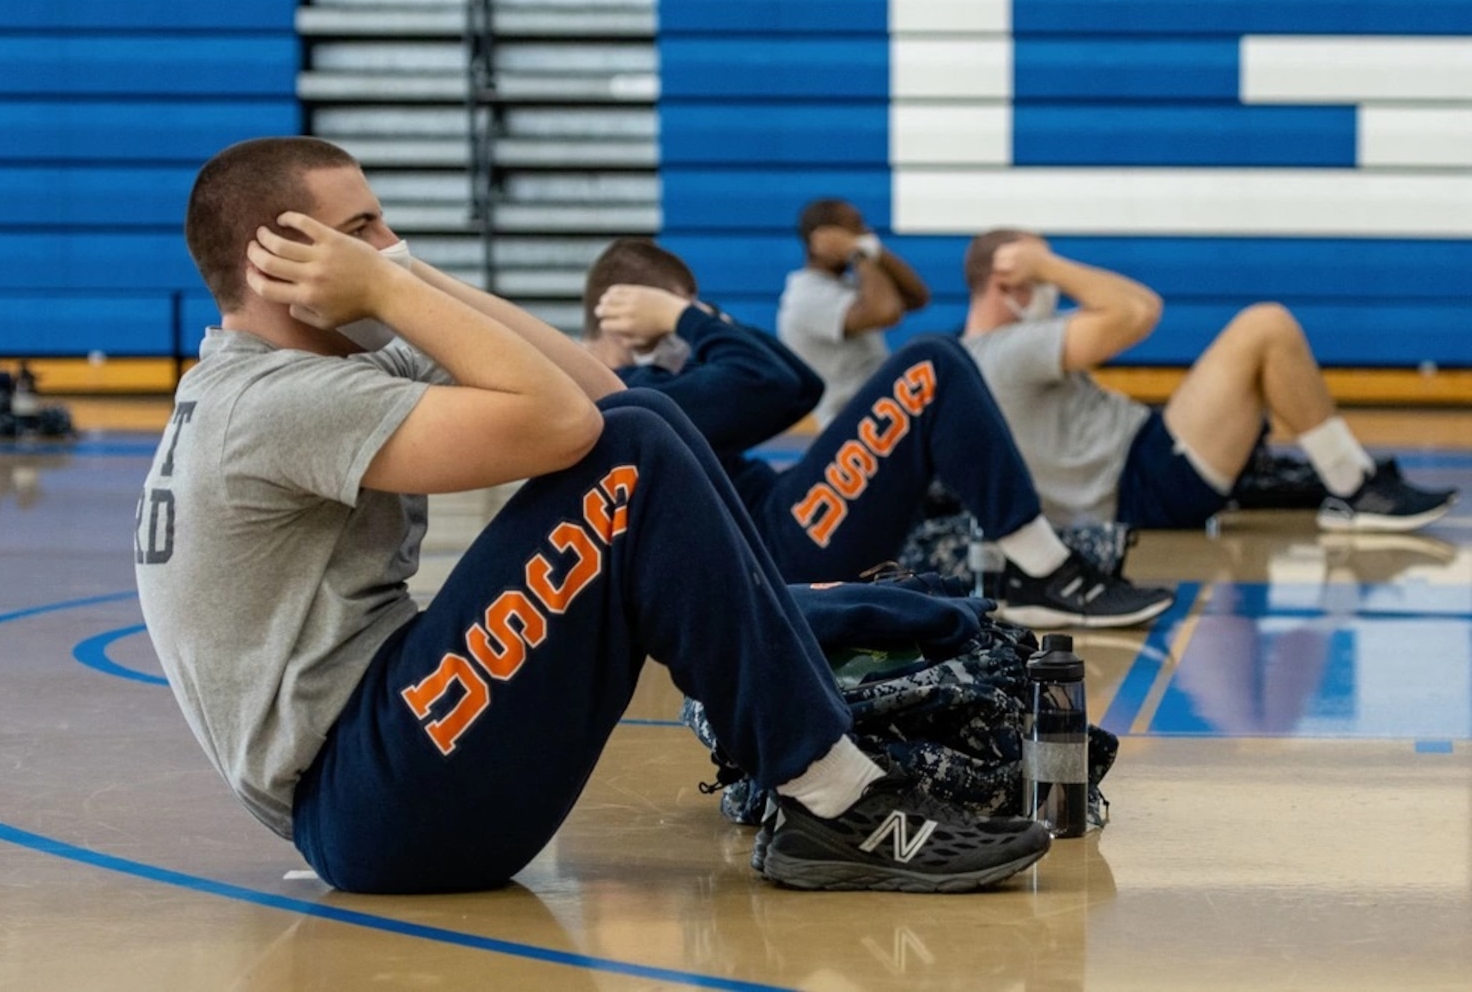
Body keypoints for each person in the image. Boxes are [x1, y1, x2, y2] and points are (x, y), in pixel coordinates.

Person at [132, 136, 1053, 896]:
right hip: (374, 801)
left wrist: (405, 277)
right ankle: (837, 801)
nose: (392, 243)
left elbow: (600, 392)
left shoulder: (318, 368)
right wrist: (392, 291)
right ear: (279, 257)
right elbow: (570, 428)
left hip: (394, 775)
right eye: (365, 226)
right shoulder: (274, 400)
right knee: (632, 451)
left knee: (642, 423)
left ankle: (816, 736)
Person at [582, 238, 1175, 629]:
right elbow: (774, 387)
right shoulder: (620, 395)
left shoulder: (640, 384)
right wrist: (684, 320)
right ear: (621, 318)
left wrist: (698, 318)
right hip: (775, 555)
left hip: (779, 528)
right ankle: (1045, 573)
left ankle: (1036, 567)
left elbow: (800, 383)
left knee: (936, 366)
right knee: (930, 366)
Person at [961, 231, 1458, 532]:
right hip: (1143, 480)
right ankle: (1354, 487)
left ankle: (1339, 479)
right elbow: (1139, 311)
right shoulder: (1004, 351)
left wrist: (1040, 265)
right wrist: (1046, 263)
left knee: (1259, 364)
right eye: (1042, 277)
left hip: (1141, 466)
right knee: (1267, 326)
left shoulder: (979, 355)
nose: (1053, 287)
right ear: (1006, 280)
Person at [777, 199, 932, 426]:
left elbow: (917, 297)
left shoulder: (846, 284)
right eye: (856, 229)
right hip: (852, 426)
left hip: (880, 415)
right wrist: (858, 253)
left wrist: (875, 251)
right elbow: (885, 312)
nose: (865, 235)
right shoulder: (805, 297)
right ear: (821, 239)